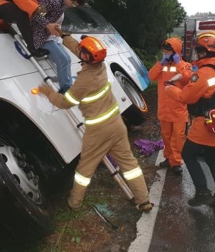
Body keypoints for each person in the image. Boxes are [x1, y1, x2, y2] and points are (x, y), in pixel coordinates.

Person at [38, 34, 153, 212]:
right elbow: (80, 50)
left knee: (85, 169)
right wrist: (64, 36)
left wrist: (48, 93)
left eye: (82, 53)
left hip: (99, 130)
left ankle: (74, 203)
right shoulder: (101, 65)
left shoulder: (84, 81)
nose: (80, 53)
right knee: (129, 164)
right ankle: (144, 200)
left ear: (86, 57)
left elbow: (65, 102)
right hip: (116, 124)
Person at [165, 32, 215, 212]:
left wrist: (169, 88)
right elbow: (198, 79)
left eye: (198, 51)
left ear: (204, 52)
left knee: (188, 154)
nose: (196, 55)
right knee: (213, 159)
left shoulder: (204, 72)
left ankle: (202, 191)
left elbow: (186, 96)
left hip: (205, 124)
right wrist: (185, 77)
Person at [148, 38, 192, 175]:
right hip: (164, 108)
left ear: (176, 51)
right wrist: (161, 63)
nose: (165, 53)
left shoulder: (186, 65)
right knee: (166, 136)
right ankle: (169, 158)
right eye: (164, 50)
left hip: (178, 109)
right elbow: (151, 76)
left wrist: (178, 62)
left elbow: (188, 77)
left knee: (178, 137)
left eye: (168, 51)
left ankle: (176, 162)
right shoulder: (162, 66)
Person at [32, 0, 87, 93]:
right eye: (74, 3)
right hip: (41, 35)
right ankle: (66, 90)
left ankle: (68, 84)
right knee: (63, 60)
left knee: (68, 59)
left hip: (51, 37)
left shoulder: (62, 2)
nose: (72, 6)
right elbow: (36, 14)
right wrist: (48, 25)